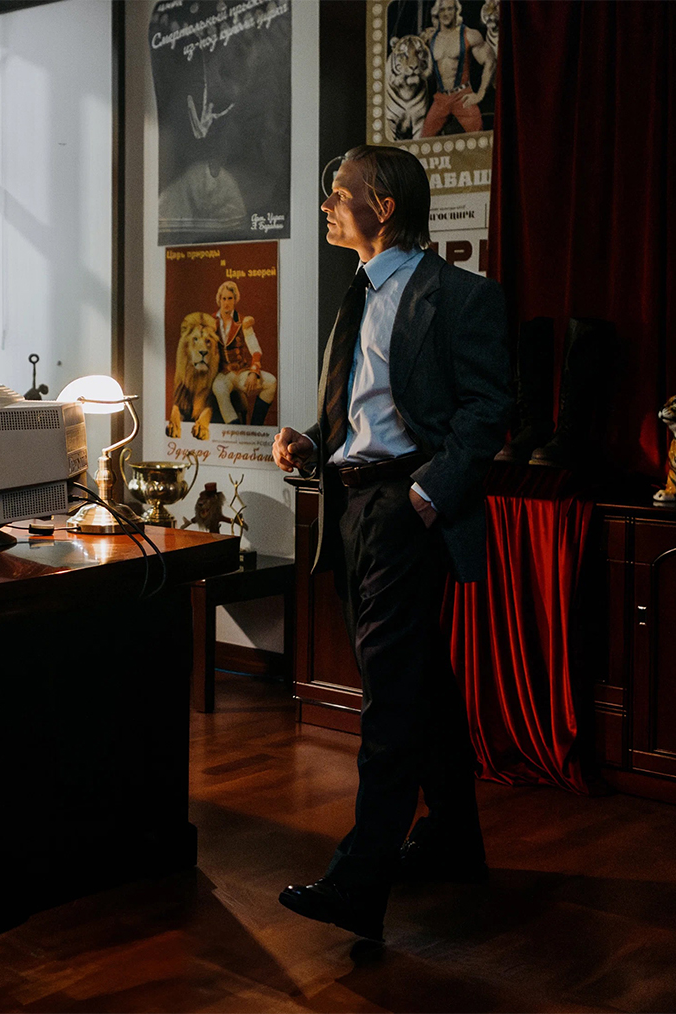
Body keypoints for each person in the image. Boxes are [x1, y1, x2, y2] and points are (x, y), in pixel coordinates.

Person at [270, 145, 511, 942]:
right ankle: (453, 843)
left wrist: (425, 496)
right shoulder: (357, 291)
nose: (327, 205)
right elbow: (364, 411)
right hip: (352, 505)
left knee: (391, 699)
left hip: (407, 511)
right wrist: (313, 443)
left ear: (385, 208)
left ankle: (360, 880)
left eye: (339, 193)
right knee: (420, 683)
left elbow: (487, 411)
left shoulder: (463, 296)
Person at [420, 0, 496, 137]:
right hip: (441, 98)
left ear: (456, 11)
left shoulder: (469, 35)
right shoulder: (430, 38)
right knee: (423, 139)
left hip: (462, 96)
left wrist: (480, 94)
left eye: (450, 9)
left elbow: (490, 61)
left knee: (478, 136)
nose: (446, 13)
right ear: (437, 13)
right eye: (442, 10)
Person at [209, 280, 277, 425]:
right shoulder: (211, 321)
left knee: (271, 382)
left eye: (230, 298)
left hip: (241, 372)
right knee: (219, 388)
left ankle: (256, 426)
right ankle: (234, 427)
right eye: (223, 298)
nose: (226, 302)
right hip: (223, 374)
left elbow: (255, 349)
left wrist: (253, 372)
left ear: (235, 300)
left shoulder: (243, 321)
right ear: (219, 300)